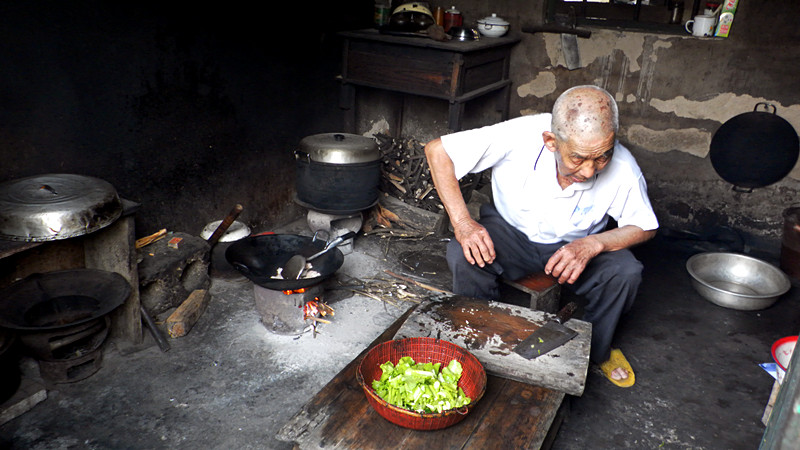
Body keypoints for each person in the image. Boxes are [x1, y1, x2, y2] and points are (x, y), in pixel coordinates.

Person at [424, 85, 658, 387]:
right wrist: (463, 223)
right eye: (578, 158)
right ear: (551, 141)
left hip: (575, 250)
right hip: (509, 236)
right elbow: (438, 151)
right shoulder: (520, 134)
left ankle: (597, 351)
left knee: (626, 272)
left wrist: (593, 244)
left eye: (601, 157)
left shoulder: (623, 166)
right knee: (463, 253)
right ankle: (478, 342)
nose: (589, 171)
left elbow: (645, 225)